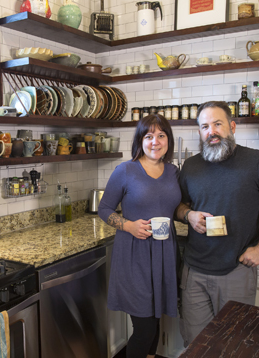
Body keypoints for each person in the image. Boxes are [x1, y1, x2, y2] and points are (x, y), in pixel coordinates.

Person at [175, 101, 259, 343]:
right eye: (205, 126)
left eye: (218, 124)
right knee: (195, 345)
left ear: (232, 126)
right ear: (200, 132)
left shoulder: (256, 161)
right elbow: (178, 206)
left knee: (234, 345)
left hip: (236, 272)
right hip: (194, 273)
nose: (212, 131)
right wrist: (189, 215)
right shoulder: (190, 166)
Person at [99, 114, 182, 358]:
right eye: (149, 136)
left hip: (164, 255)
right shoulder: (125, 170)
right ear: (140, 140)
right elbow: (104, 209)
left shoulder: (173, 172)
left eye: (161, 135)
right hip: (134, 256)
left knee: (155, 322)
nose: (155, 141)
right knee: (144, 328)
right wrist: (128, 225)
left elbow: (175, 207)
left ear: (168, 140)